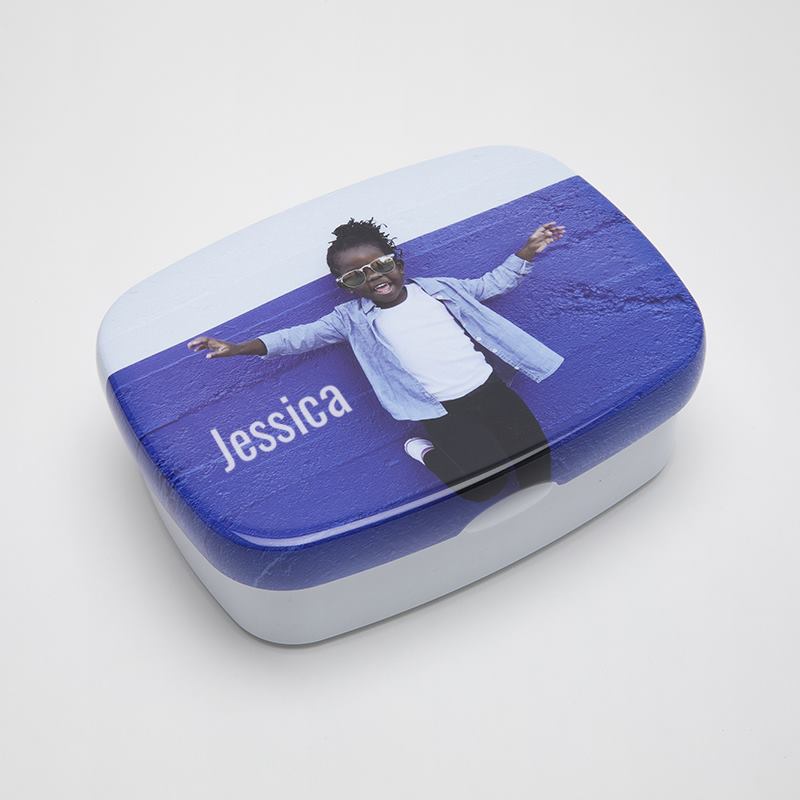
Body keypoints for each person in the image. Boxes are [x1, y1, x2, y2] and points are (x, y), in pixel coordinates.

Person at [188, 218, 565, 501]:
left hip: (490, 390)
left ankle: (540, 511)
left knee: (537, 465)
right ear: (345, 287)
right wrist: (238, 347)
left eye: (381, 266)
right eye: (355, 278)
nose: (373, 279)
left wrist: (527, 250)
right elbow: (298, 337)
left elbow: (492, 284)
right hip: (441, 412)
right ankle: (427, 453)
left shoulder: (439, 289)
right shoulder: (350, 319)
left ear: (398, 263)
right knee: (484, 489)